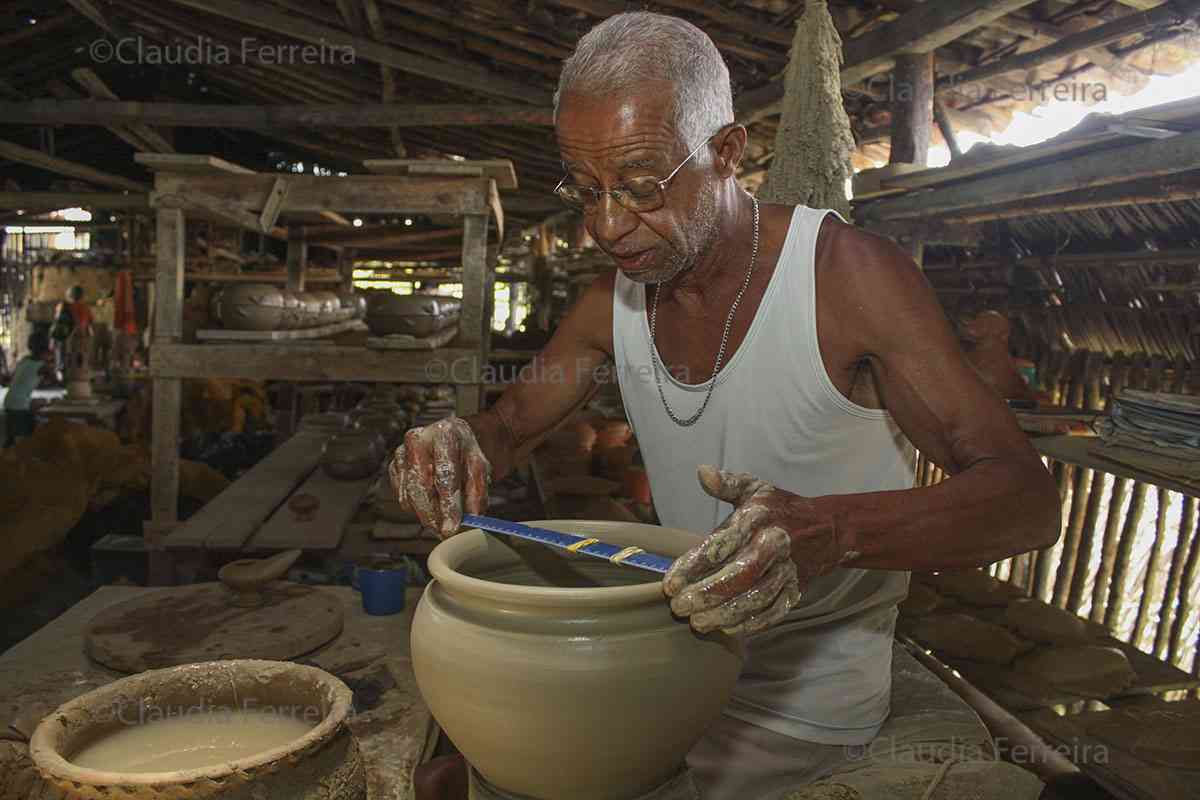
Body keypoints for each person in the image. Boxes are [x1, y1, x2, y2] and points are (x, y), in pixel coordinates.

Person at [391, 12, 1061, 799]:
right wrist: (457, 441)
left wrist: (832, 532)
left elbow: (1025, 501)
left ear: (728, 152)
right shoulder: (613, 302)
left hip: (802, 710)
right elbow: (509, 428)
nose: (607, 224)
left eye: (641, 185)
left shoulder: (845, 281)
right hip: (665, 668)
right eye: (587, 189)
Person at [3, 332, 52, 446]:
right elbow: (55, 380)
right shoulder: (43, 366)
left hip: (9, 401)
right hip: (20, 405)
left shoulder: (24, 360)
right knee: (24, 440)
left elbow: (24, 380)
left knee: (11, 438)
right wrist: (50, 363)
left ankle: (7, 452)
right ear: (45, 350)